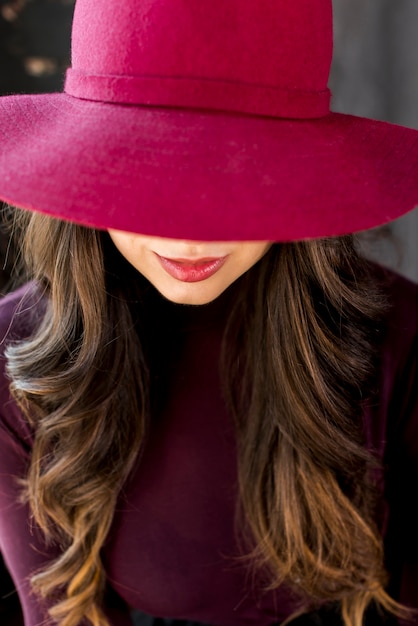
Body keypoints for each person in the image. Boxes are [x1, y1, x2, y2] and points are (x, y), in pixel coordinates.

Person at [0, 1, 417, 625]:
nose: (191, 240)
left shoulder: (403, 344)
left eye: (233, 178)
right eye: (148, 174)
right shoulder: (16, 358)